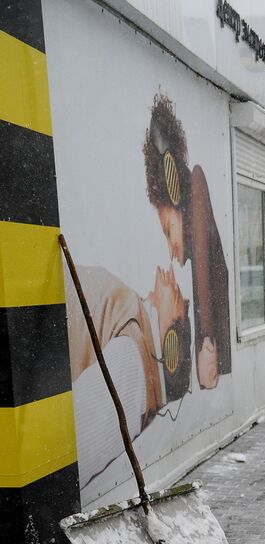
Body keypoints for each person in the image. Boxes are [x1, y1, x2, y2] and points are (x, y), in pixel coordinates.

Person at [66, 265, 191, 487]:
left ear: (170, 334)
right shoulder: (131, 324)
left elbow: (73, 450)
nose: (170, 274)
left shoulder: (132, 357)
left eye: (178, 295)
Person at [143, 91, 231, 388]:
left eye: (168, 230)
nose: (170, 251)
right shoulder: (194, 191)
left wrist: (206, 339)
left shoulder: (195, 185)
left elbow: (205, 271)